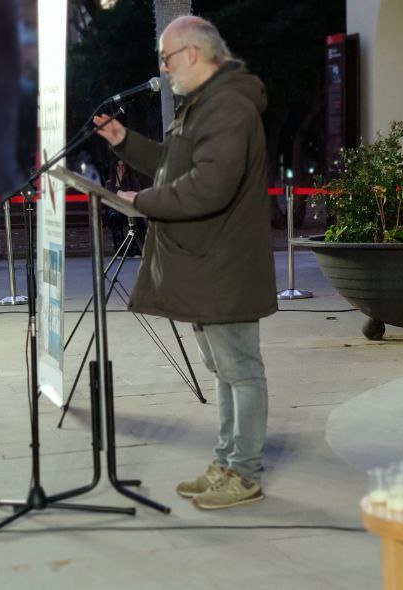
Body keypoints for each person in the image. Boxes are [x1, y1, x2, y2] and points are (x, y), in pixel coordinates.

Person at [92, 15, 276, 510]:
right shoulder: (203, 106)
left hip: (225, 264)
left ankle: (245, 472)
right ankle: (227, 461)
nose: (163, 68)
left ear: (193, 53)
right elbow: (175, 165)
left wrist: (143, 200)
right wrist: (123, 141)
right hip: (206, 263)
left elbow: (208, 186)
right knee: (222, 368)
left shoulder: (229, 106)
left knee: (241, 369)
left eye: (167, 58)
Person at [102, 159, 147, 257]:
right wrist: (119, 181)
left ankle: (135, 248)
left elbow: (137, 195)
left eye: (123, 166)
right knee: (114, 217)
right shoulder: (110, 183)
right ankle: (120, 250)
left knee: (137, 217)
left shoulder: (133, 181)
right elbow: (114, 196)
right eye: (118, 166)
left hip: (130, 209)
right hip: (116, 210)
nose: (120, 168)